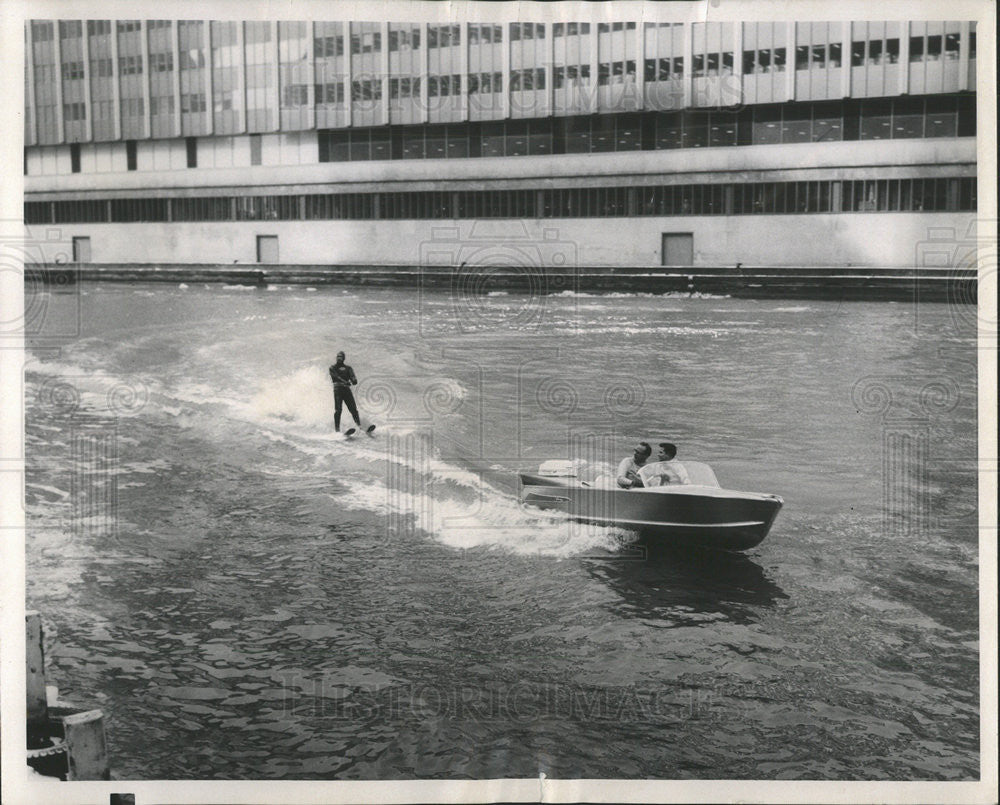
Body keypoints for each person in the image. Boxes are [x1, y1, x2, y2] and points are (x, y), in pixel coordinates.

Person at [329, 351, 361, 433]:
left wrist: (354, 380)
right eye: (338, 357)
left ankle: (360, 426)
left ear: (344, 358)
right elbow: (336, 376)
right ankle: (337, 430)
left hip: (346, 390)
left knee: (353, 409)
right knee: (338, 410)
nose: (339, 358)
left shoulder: (348, 368)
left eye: (341, 357)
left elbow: (352, 376)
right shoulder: (332, 368)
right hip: (338, 390)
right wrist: (344, 381)